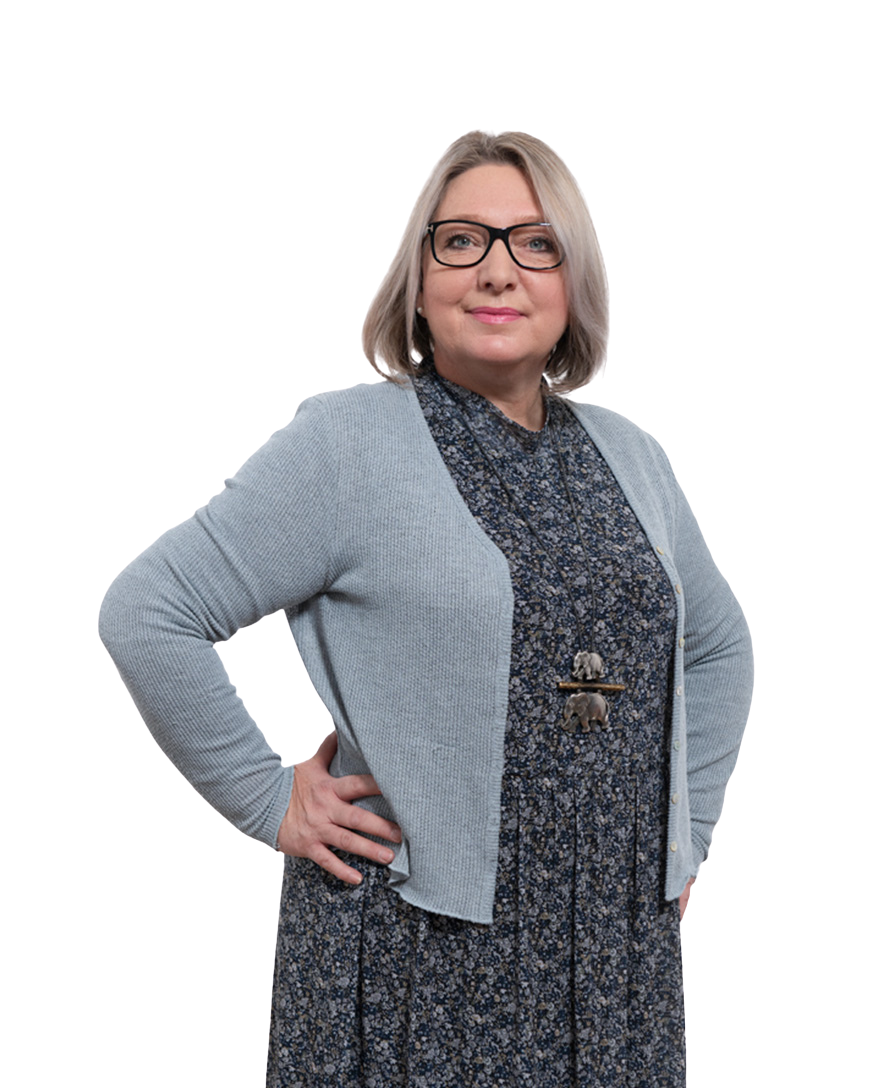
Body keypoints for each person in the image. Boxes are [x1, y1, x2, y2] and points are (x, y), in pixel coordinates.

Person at [98, 129, 754, 1086]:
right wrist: (264, 797)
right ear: (418, 277)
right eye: (462, 240)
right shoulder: (346, 443)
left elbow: (722, 647)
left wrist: (685, 836)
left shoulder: (634, 455)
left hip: (616, 945)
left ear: (575, 282)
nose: (498, 270)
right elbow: (149, 609)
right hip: (416, 941)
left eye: (537, 243)